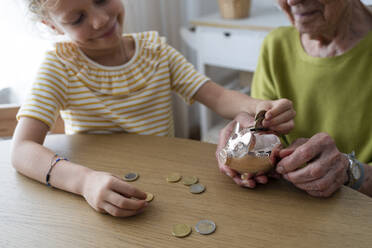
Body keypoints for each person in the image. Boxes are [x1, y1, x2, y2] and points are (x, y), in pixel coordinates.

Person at [11, 0, 296, 218]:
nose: (100, 20)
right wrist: (84, 181)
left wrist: (258, 106)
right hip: (97, 199)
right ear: (53, 26)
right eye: (77, 18)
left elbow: (218, 96)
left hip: (166, 190)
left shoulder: (157, 51)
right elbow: (22, 149)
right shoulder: (59, 67)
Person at [217, 0, 372, 197]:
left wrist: (351, 171)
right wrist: (247, 146)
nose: (291, 1)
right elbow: (265, 136)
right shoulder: (276, 45)